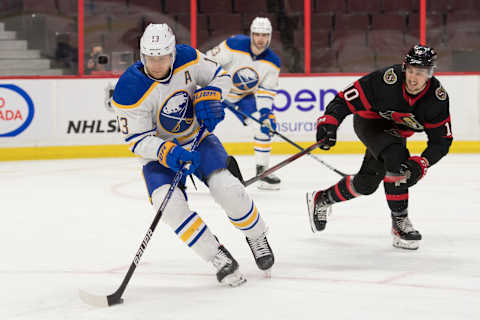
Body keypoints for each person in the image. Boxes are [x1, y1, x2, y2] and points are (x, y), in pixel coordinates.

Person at [111, 23, 274, 286]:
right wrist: (166, 151)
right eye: (151, 58)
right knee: (168, 205)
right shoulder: (129, 89)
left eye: (162, 57)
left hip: (197, 139)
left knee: (228, 189)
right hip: (159, 155)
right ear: (142, 56)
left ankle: (256, 235)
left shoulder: (188, 57)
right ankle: (217, 256)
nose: (157, 64)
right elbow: (136, 140)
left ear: (172, 54)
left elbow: (220, 75)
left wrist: (212, 95)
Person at [306, 45, 453, 250]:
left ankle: (322, 199)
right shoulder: (386, 80)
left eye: (419, 73)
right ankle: (400, 223)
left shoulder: (436, 100)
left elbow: (442, 141)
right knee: (396, 157)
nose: (413, 78)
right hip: (370, 122)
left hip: (396, 134)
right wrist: (328, 123)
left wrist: (422, 163)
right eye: (410, 70)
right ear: (404, 67)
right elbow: (343, 100)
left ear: (430, 74)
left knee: (367, 184)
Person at [206, 17, 282, 190]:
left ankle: (262, 172)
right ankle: (185, 169)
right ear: (251, 34)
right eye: (257, 34)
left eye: (264, 35)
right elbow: (208, 62)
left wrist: (264, 113)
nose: (260, 38)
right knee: (197, 126)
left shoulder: (273, 62)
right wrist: (213, 87)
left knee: (264, 126)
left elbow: (265, 92)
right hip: (217, 91)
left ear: (269, 37)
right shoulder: (234, 44)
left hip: (242, 97)